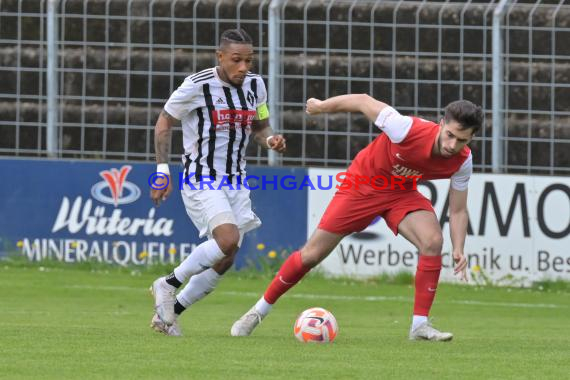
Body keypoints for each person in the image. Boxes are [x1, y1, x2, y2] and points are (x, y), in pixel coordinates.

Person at [231, 95, 482, 341]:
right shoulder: (405, 128)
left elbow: (458, 210)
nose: (452, 145)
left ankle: (419, 326)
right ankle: (258, 311)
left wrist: (459, 247)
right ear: (441, 123)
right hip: (362, 186)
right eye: (449, 135)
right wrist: (321, 107)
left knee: (433, 241)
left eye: (461, 140)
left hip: (400, 192)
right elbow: (363, 101)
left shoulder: (463, 161)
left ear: (471, 138)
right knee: (312, 255)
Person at [149, 28, 286, 336]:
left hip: (236, 181)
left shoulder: (255, 85)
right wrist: (162, 172)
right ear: (220, 56)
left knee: (227, 257)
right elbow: (164, 121)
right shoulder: (197, 86)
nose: (243, 67)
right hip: (202, 177)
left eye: (248, 60)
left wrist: (271, 140)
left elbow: (260, 125)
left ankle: (168, 316)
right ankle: (167, 284)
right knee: (227, 240)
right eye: (236, 60)